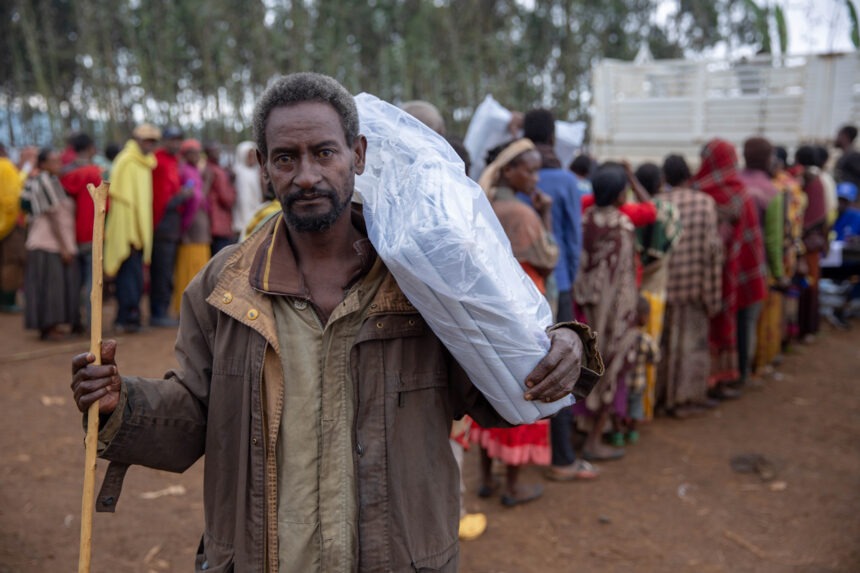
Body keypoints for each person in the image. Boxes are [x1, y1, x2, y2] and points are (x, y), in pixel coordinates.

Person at [70, 72, 600, 572]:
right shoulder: (223, 287)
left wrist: (563, 346)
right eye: (286, 158)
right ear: (262, 165)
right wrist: (124, 405)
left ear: (359, 153)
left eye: (324, 152)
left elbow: (499, 390)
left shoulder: (422, 279)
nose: (306, 175)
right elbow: (196, 415)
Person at [472, 138, 560, 506]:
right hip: (525, 309)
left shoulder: (484, 205)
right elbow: (549, 258)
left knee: (490, 386)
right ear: (509, 170)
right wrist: (546, 217)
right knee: (526, 390)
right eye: (530, 169)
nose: (536, 178)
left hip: (490, 310)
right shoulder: (523, 215)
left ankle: (487, 480)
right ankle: (513, 486)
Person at [522, 109, 596, 479]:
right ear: (552, 137)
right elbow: (573, 239)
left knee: (533, 367)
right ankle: (563, 458)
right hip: (560, 284)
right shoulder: (566, 180)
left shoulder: (513, 177)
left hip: (524, 288)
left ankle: (521, 455)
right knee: (564, 366)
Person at [573, 163, 639, 461]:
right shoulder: (623, 227)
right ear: (618, 194)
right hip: (610, 312)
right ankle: (595, 439)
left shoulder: (583, 220)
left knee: (579, 366)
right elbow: (623, 276)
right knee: (610, 366)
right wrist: (626, 314)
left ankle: (578, 431)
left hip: (579, 306)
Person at [693, 139, 766, 400]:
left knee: (711, 324)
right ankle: (731, 377)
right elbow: (750, 238)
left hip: (704, 272)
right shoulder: (740, 193)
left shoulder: (698, 191)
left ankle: (710, 378)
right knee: (737, 324)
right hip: (734, 268)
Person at [657, 155, 723, 417]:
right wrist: (713, 292)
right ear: (689, 175)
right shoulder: (705, 203)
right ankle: (685, 399)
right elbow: (713, 251)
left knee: (663, 346)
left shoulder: (659, 203)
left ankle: (661, 396)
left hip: (663, 287)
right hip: (694, 287)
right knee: (690, 348)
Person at [632, 161, 680, 421]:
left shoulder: (629, 212)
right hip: (655, 291)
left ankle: (626, 414)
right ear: (660, 183)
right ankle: (644, 410)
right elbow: (673, 242)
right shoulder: (669, 212)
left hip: (631, 292)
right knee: (650, 355)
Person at [104, 123, 160, 333]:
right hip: (127, 229)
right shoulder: (126, 161)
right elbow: (123, 202)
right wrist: (131, 232)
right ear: (136, 139)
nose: (150, 145)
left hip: (139, 228)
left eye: (153, 141)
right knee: (128, 277)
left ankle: (130, 316)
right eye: (147, 140)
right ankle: (126, 318)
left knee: (135, 277)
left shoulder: (145, 163)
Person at [738, 137, 785, 382]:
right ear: (768, 158)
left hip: (728, 265)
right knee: (748, 321)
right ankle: (743, 372)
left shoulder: (733, 183)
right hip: (755, 268)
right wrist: (778, 273)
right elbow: (773, 241)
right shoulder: (772, 192)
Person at [21, 148, 80, 340]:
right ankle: (49, 327)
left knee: (52, 285)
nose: (59, 165)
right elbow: (54, 217)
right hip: (47, 243)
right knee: (51, 287)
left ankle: (50, 326)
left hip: (51, 243)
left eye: (59, 160)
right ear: (43, 164)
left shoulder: (49, 181)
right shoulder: (45, 181)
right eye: (54, 161)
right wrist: (64, 247)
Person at [59, 133, 104, 331]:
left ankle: (74, 321)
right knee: (92, 281)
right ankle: (92, 325)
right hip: (92, 232)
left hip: (68, 236)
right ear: (90, 148)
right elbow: (104, 203)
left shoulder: (63, 173)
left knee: (73, 282)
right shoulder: (95, 173)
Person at [791, 145, 829, 342]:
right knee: (810, 283)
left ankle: (804, 328)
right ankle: (807, 328)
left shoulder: (810, 179)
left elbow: (809, 215)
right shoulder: (819, 179)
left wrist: (798, 233)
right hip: (813, 240)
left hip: (807, 241)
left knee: (807, 284)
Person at [149, 126, 186, 327]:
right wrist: (181, 197)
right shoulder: (158, 161)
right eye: (172, 139)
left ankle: (161, 309)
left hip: (172, 224)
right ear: (164, 141)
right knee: (161, 270)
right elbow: (161, 198)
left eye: (179, 139)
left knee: (166, 269)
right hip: (161, 223)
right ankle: (158, 312)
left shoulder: (173, 161)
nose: (176, 143)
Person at [171, 138, 211, 316]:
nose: (196, 156)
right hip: (191, 227)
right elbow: (191, 201)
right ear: (185, 155)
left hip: (200, 226)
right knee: (190, 267)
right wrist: (184, 229)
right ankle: (187, 308)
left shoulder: (194, 171)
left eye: (198, 152)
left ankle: (197, 307)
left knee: (200, 266)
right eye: (192, 152)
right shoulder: (185, 171)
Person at [625, 295, 660, 444]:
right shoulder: (646, 340)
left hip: (624, 382)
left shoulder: (623, 338)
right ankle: (632, 432)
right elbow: (655, 358)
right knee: (635, 407)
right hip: (638, 382)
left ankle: (618, 433)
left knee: (621, 407)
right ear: (643, 317)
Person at [0, 143, 26, 313]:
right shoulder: (6, 167)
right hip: (9, 224)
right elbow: (12, 198)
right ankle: (8, 301)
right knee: (12, 262)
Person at [203, 141, 237, 254]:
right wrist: (232, 187)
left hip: (213, 222)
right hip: (219, 223)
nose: (218, 153)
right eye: (215, 151)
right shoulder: (217, 172)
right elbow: (227, 199)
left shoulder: (210, 168)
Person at [231, 141, 264, 238]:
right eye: (249, 156)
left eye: (253, 156)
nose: (252, 159)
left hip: (255, 207)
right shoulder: (237, 171)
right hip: (241, 211)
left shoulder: (257, 172)